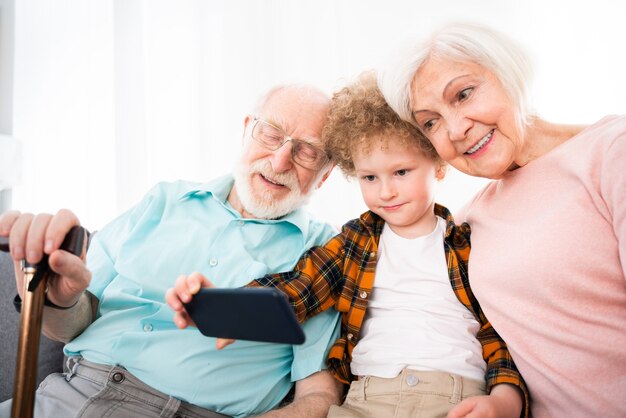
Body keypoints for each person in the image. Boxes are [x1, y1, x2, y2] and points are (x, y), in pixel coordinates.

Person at [168, 72, 529, 418]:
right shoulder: (354, 243)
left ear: (437, 166)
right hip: (364, 399)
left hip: (452, 396)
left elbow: (498, 332)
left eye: (401, 172)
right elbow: (299, 287)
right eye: (370, 177)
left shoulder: (467, 245)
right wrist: (230, 309)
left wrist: (504, 400)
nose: (385, 191)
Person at [0, 84, 344, 418]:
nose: (281, 160)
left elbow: (318, 394)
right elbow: (70, 324)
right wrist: (59, 300)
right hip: (74, 394)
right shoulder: (164, 200)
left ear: (325, 174)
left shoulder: (324, 255)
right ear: (246, 130)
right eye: (271, 134)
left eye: (307, 151)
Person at [377, 22, 626, 418]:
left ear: (507, 72)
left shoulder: (611, 152)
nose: (456, 130)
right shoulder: (464, 224)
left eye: (464, 94)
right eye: (431, 122)